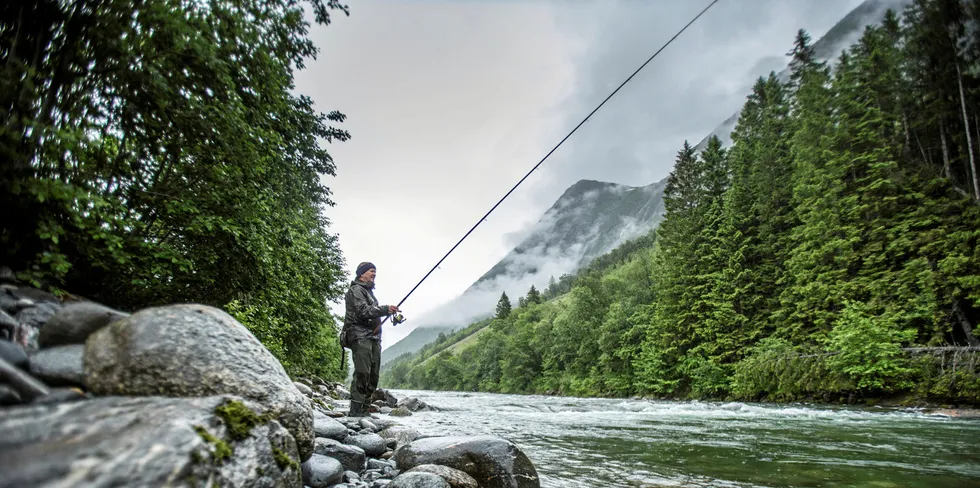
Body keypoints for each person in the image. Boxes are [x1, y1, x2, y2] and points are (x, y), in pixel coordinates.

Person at [344, 261, 399, 417]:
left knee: (373, 376)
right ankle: (355, 413)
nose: (374, 274)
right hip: (360, 337)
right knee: (362, 374)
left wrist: (387, 311)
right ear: (362, 274)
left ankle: (364, 411)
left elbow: (371, 311)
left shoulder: (369, 293)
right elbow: (362, 311)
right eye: (371, 271)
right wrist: (384, 309)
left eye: (375, 272)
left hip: (373, 338)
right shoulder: (356, 290)